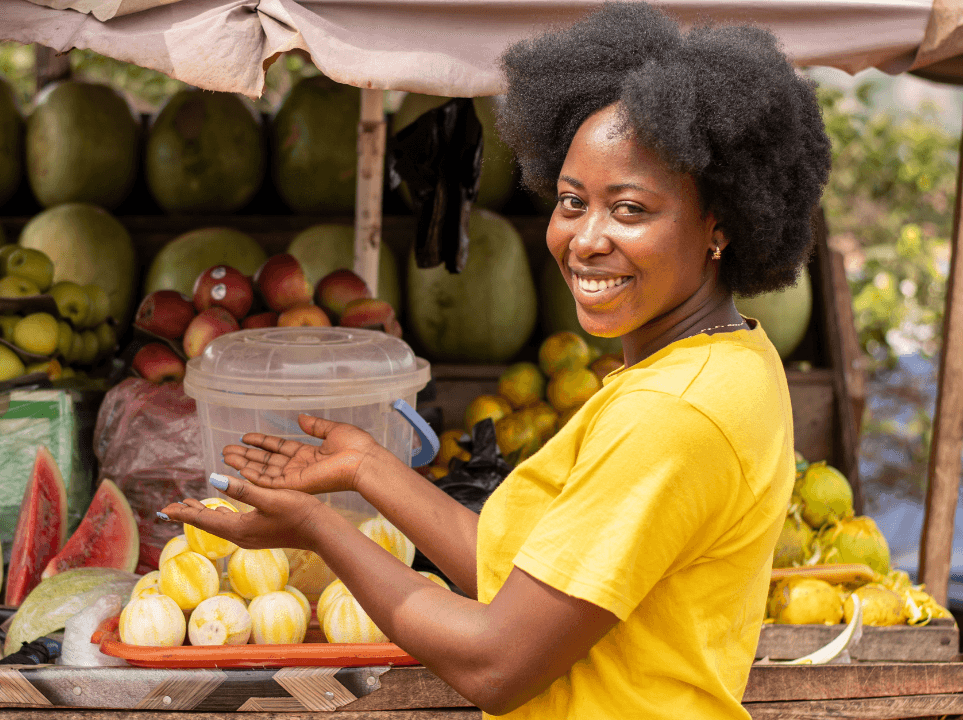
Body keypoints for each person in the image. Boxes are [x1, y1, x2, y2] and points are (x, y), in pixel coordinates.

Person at [157, 2, 831, 718]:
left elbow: (495, 661)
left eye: (630, 209)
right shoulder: (724, 359)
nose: (586, 238)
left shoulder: (671, 413)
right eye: (572, 201)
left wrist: (320, 528)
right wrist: (366, 470)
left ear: (720, 225)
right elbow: (517, 575)